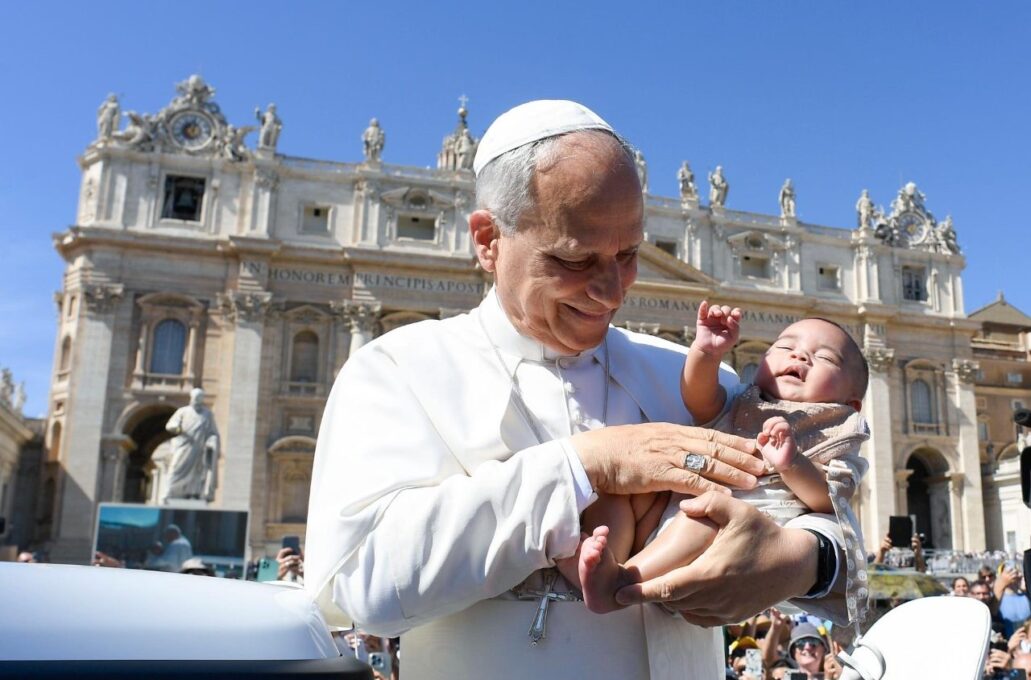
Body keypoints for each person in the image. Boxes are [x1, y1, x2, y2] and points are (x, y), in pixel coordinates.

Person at [305, 99, 855, 680]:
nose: (612, 292)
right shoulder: (394, 369)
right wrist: (583, 467)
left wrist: (804, 561)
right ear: (488, 239)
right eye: (574, 259)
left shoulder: (693, 378)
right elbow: (362, 583)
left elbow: (829, 501)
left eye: (629, 254)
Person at [572, 305, 869, 626]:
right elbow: (700, 398)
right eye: (785, 347)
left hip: (728, 540)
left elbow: (829, 501)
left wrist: (793, 463)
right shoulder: (742, 400)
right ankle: (600, 564)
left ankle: (624, 581)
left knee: (706, 516)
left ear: (849, 404)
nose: (799, 357)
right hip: (664, 513)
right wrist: (706, 352)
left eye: (824, 358)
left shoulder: (837, 431)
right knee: (619, 491)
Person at [164, 388, 220, 502]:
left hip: (199, 449)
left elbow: (213, 432)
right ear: (191, 398)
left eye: (200, 398)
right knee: (175, 468)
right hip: (184, 446)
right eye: (195, 397)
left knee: (197, 473)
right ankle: (169, 491)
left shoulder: (208, 414)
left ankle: (194, 493)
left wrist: (212, 440)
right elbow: (170, 424)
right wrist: (176, 427)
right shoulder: (182, 411)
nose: (197, 400)